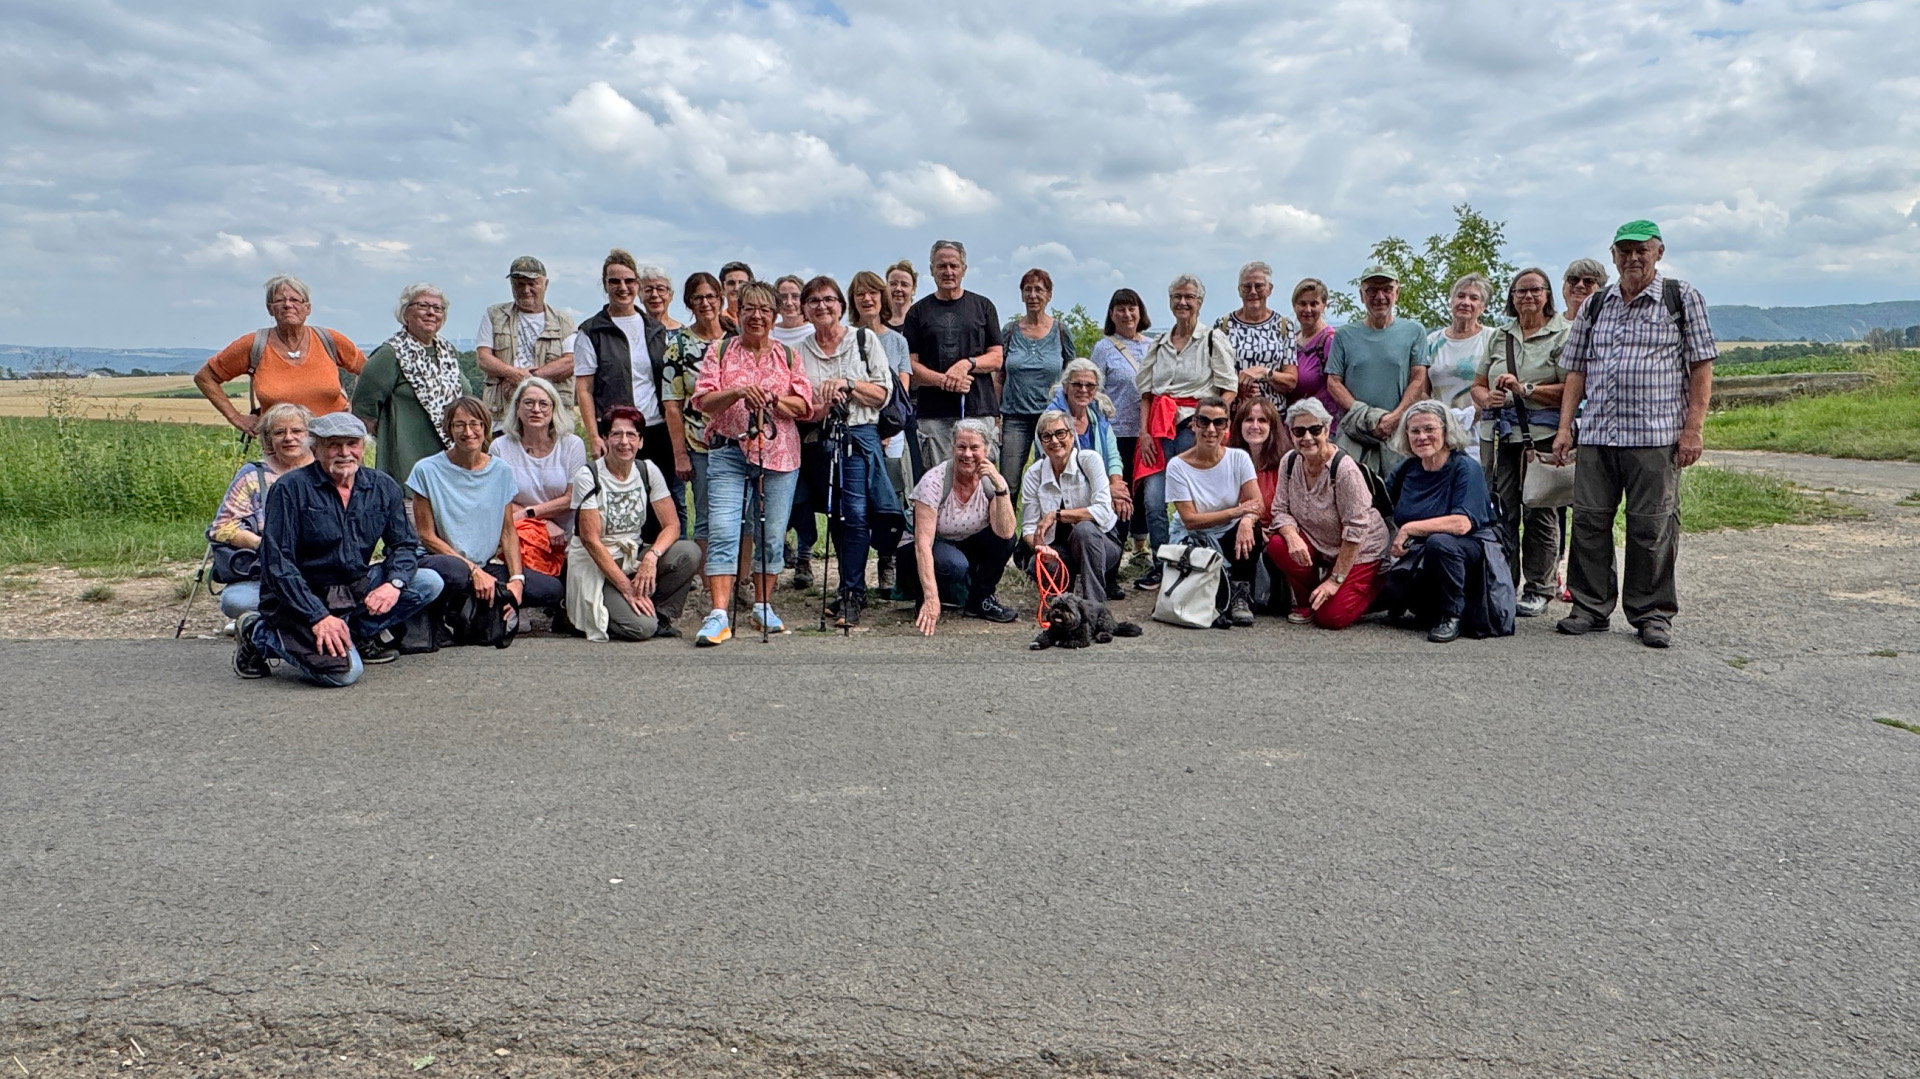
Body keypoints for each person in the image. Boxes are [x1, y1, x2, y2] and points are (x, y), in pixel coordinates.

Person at [1552, 221, 1717, 649]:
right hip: (1599, 434)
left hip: (1655, 435)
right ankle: (1589, 607)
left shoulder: (1680, 298)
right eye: (1624, 251)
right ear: (1613, 255)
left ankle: (1652, 614)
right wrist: (1566, 426)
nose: (1633, 258)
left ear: (1658, 252)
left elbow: (1701, 367)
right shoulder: (1596, 305)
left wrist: (1693, 430)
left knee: (1652, 527)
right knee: (1588, 522)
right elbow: (1577, 369)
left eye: (1641, 250)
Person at [232, 412, 444, 686]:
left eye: (352, 444)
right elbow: (278, 564)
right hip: (302, 598)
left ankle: (353, 632)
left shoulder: (382, 487)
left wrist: (394, 583)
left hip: (352, 590)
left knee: (428, 582)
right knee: (344, 674)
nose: (344, 453)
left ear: (363, 447)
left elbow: (404, 545)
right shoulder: (290, 489)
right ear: (315, 448)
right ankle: (259, 633)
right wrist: (318, 616)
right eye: (333, 445)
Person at [688, 281, 815, 645]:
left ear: (774, 317)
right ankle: (718, 614)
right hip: (728, 450)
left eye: (764, 310)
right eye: (749, 309)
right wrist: (739, 392)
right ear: (738, 312)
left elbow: (803, 407)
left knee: (771, 534)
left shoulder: (788, 357)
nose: (756, 316)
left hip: (780, 455)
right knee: (724, 530)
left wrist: (773, 399)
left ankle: (763, 605)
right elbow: (704, 401)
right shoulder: (721, 350)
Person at [792, 275, 903, 627]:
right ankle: (845, 586)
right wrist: (821, 405)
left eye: (829, 299)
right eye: (813, 301)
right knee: (835, 511)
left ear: (841, 305)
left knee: (855, 512)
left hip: (858, 435)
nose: (822, 306)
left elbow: (883, 394)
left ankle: (854, 592)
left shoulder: (864, 339)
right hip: (819, 439)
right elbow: (800, 405)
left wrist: (848, 385)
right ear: (805, 309)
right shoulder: (800, 351)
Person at [409, 396, 562, 634]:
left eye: (475, 424)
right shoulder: (426, 470)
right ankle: (449, 611)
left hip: (484, 565)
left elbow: (508, 532)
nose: (468, 432)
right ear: (449, 429)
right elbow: (427, 536)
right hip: (444, 562)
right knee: (455, 573)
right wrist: (473, 570)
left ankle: (484, 605)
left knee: (550, 589)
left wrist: (516, 581)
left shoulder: (499, 471)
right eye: (459, 425)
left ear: (485, 427)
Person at [1471, 268, 1568, 618]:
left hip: (1541, 436)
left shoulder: (1562, 334)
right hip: (1501, 437)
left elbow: (1572, 388)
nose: (1527, 296)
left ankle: (1539, 587)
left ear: (1547, 295)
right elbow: (1478, 383)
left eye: (1535, 290)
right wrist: (1486, 399)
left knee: (1540, 510)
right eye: (1520, 291)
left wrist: (1526, 390)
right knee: (1502, 510)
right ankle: (1503, 580)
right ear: (1511, 298)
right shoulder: (1501, 336)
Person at [1131, 274, 1237, 592]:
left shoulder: (1211, 340)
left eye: (1189, 297)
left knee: (1193, 502)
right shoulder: (1160, 344)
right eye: (1177, 296)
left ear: (1200, 302)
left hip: (1195, 426)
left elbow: (1228, 388)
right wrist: (1144, 434)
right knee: (1152, 499)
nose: (1183, 302)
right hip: (1158, 430)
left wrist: (1210, 422)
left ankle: (1194, 562)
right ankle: (1162, 563)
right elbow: (1147, 393)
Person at [565, 406, 702, 642]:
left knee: (688, 552)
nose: (624, 442)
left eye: (631, 435)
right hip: (597, 563)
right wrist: (626, 588)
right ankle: (575, 613)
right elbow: (590, 540)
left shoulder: (647, 470)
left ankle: (659, 615)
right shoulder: (589, 476)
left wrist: (652, 557)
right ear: (605, 438)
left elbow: (672, 525)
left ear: (640, 441)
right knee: (641, 629)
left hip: (632, 556)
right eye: (616, 434)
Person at [1378, 401, 1503, 643]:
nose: (1422, 437)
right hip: (1419, 553)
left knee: (1440, 542)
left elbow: (1462, 524)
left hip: (1468, 550)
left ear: (1446, 432)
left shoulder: (1466, 467)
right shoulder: (1409, 467)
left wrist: (1408, 529)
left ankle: (1452, 615)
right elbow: (1379, 502)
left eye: (1429, 429)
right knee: (1385, 595)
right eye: (1414, 431)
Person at [574, 249, 683, 526]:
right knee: (617, 501)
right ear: (605, 285)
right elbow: (584, 388)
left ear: (637, 284)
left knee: (658, 501)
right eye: (614, 282)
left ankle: (659, 563)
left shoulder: (654, 329)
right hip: (614, 432)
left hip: (656, 429)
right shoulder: (592, 331)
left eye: (629, 281)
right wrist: (594, 436)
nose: (622, 288)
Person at [1265, 398, 1390, 629]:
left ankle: (1378, 586)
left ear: (1327, 429)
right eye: (1299, 431)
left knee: (1330, 618)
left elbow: (1356, 532)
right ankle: (1306, 601)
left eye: (1315, 429)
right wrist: (1292, 538)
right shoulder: (1289, 462)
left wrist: (1335, 581)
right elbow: (1280, 510)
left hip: (1361, 550)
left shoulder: (1344, 469)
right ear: (1290, 433)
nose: (1307, 438)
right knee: (1278, 544)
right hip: (1319, 543)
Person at [196, 275, 365, 435]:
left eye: (295, 300)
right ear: (270, 309)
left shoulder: (329, 340)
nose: (287, 305)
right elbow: (205, 377)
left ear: (308, 308)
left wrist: (359, 409)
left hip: (334, 445)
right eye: (279, 300)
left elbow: (371, 372)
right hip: (282, 449)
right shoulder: (254, 345)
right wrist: (236, 418)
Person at [899, 418, 1019, 634]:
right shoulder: (934, 481)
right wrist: (931, 597)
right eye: (961, 447)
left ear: (987, 449)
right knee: (954, 565)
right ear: (952, 447)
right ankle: (926, 595)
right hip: (925, 547)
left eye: (975, 448)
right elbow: (922, 545)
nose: (967, 454)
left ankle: (980, 600)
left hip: (965, 542)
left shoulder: (990, 480)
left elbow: (1005, 532)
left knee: (1008, 540)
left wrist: (1001, 488)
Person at [351, 283, 469, 491]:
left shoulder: (447, 352)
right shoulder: (390, 354)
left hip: (452, 463)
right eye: (423, 306)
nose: (431, 312)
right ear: (405, 313)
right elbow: (364, 414)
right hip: (407, 463)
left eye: (438, 308)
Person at [208, 403, 314, 621]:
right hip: (267, 575)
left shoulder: (326, 471)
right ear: (268, 439)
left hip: (320, 573)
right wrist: (261, 544)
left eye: (296, 431)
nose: (288, 438)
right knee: (235, 601)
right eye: (279, 432)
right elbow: (222, 527)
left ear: (310, 436)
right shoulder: (252, 475)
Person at [1164, 395, 1264, 626]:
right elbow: (1190, 520)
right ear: (1193, 424)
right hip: (1194, 536)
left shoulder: (1239, 458)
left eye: (1218, 423)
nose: (1211, 429)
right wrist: (1237, 512)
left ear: (1227, 427)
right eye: (1204, 421)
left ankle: (1240, 592)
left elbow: (1257, 503)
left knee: (1252, 529)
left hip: (1229, 532)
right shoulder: (1177, 466)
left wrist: (1247, 520)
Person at [903, 240, 1004, 468]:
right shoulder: (917, 312)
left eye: (953, 266)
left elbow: (997, 357)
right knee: (938, 481)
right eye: (941, 266)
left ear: (964, 269)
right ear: (931, 270)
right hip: (934, 414)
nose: (948, 272)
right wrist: (943, 380)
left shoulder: (984, 306)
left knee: (981, 480)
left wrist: (966, 364)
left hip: (978, 409)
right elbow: (910, 364)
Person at [1327, 264, 1428, 477]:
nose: (1379, 296)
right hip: (1355, 431)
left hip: (1399, 431)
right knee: (1351, 490)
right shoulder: (1344, 335)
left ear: (1397, 293)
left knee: (1396, 493)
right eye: (1372, 290)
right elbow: (1334, 382)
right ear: (1362, 295)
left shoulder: (1414, 331)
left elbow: (1419, 377)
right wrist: (1365, 416)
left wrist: (1394, 418)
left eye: (1387, 290)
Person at [848, 269, 913, 592]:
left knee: (891, 499)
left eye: (873, 292)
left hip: (890, 431)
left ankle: (888, 564)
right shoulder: (847, 336)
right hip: (858, 431)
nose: (867, 298)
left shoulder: (897, 340)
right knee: (858, 504)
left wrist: (888, 429)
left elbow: (901, 388)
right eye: (860, 293)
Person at [491, 376, 588, 584]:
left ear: (554, 409)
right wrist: (542, 523)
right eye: (529, 403)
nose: (536, 409)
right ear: (517, 408)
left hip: (568, 533)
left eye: (543, 403)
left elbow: (573, 497)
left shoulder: (572, 445)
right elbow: (499, 500)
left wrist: (530, 512)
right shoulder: (500, 447)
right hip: (523, 534)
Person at [659, 272, 728, 558]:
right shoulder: (678, 346)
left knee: (742, 516)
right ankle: (708, 584)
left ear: (720, 299)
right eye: (698, 297)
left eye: (710, 296)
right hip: (701, 445)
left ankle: (742, 579)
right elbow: (672, 405)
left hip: (741, 444)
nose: (705, 303)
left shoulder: (736, 339)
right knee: (705, 516)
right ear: (689, 302)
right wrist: (680, 454)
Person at [1021, 410, 1119, 606]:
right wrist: (1040, 549)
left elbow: (1103, 511)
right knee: (1037, 564)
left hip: (1101, 544)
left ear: (1072, 436)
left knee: (1084, 529)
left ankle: (1094, 607)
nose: (1054, 441)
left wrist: (1056, 515)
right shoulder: (1034, 473)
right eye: (1046, 436)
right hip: (1059, 549)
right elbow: (1029, 528)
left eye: (1060, 433)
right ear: (1040, 442)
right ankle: (1064, 607)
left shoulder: (1089, 460)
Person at [1087, 288, 1151, 559]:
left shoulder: (1152, 346)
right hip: (1115, 431)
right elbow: (1092, 387)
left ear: (1140, 311)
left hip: (1147, 431)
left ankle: (1141, 547)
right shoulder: (1103, 348)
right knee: (1119, 488)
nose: (1127, 314)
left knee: (1145, 491)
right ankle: (1114, 546)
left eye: (1131, 308)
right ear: (1112, 314)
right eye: (1120, 309)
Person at [476, 256, 577, 421]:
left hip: (552, 416)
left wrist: (530, 378)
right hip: (504, 414)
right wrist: (513, 373)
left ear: (545, 284)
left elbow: (571, 362)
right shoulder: (494, 315)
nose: (525, 289)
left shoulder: (564, 321)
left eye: (532, 283)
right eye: (519, 284)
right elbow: (483, 358)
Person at [999, 268, 1076, 480]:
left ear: (1049, 295)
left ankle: (1052, 515)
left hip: (1052, 416)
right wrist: (995, 415)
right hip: (1015, 416)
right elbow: (999, 375)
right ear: (1022, 294)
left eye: (1039, 290)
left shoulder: (1061, 331)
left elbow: (1072, 376)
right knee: (1008, 480)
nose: (1033, 295)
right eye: (1028, 290)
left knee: (1051, 478)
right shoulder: (1010, 331)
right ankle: (1006, 514)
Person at [1424, 274, 1494, 463]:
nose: (1465, 302)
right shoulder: (1432, 341)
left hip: (1478, 431)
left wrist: (1465, 420)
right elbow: (1423, 391)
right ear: (1451, 301)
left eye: (1474, 298)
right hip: (1438, 432)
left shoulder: (1492, 339)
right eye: (1460, 296)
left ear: (1483, 307)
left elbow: (1496, 388)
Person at [1216, 261, 1297, 402]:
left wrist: (1265, 372)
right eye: (1247, 287)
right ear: (1239, 291)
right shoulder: (1224, 326)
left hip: (1273, 414)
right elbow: (1215, 375)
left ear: (1269, 289)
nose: (1253, 292)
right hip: (1236, 413)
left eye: (1259, 286)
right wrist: (1238, 387)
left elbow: (1291, 381)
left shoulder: (1284, 326)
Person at [1289, 278, 1341, 441]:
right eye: (1302, 304)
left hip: (1322, 431)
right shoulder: (1292, 340)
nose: (1308, 309)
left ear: (1324, 305)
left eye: (1314, 304)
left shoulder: (1329, 341)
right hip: (1296, 427)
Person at [770, 274, 815, 350]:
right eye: (783, 297)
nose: (789, 303)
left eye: (795, 296)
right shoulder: (769, 333)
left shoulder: (815, 332)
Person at [639, 265, 682, 332]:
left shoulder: (685, 334)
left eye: (661, 289)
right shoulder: (633, 330)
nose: (654, 295)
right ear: (640, 296)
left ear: (671, 296)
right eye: (648, 290)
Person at [718, 260, 754, 332]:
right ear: (722, 288)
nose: (736, 288)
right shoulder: (718, 322)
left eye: (742, 283)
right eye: (731, 283)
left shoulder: (760, 319)